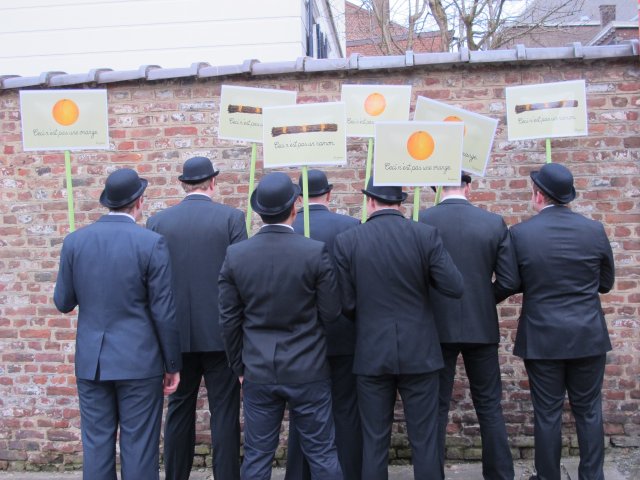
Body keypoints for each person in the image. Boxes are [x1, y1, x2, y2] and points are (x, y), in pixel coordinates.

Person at [53, 168, 182, 480]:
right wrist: (172, 364)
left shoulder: (75, 241)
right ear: (139, 202)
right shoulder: (151, 243)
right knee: (139, 446)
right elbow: (163, 311)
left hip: (92, 362)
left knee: (97, 445)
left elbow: (63, 302)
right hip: (139, 361)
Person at [333, 179, 464, 480]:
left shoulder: (348, 240)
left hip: (371, 350)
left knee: (374, 440)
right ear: (401, 203)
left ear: (370, 201)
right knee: (425, 440)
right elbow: (454, 286)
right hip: (420, 350)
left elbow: (345, 303)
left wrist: (367, 321)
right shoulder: (425, 235)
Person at [218, 172, 343, 480]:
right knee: (322, 453)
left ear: (259, 212)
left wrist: (239, 367)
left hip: (259, 368)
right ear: (294, 208)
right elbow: (331, 313)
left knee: (257, 456)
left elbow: (229, 320)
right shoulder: (314, 251)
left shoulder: (237, 255)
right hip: (308, 367)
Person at [502, 163, 615, 480]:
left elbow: (511, 282)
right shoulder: (594, 230)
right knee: (589, 410)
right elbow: (606, 283)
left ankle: (547, 476)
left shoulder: (520, 234)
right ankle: (592, 476)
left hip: (542, 338)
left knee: (547, 413)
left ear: (538, 195)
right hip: (587, 335)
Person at [146, 156, 246, 480]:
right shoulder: (232, 218)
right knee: (225, 412)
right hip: (222, 334)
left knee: (178, 410)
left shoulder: (158, 222)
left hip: (175, 335)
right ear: (213, 182)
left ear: (183, 185)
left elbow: (153, 283)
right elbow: (242, 278)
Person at [419, 174, 519, 480]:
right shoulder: (493, 223)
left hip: (437, 326)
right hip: (481, 324)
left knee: (435, 407)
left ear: (437, 187)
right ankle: (500, 475)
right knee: (489, 405)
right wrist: (483, 299)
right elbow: (510, 280)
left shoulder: (422, 221)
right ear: (468, 186)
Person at [286, 169, 362, 480]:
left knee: (302, 413)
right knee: (345, 409)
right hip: (344, 332)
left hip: (300, 336)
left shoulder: (288, 228)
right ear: (329, 194)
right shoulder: (351, 226)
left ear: (298, 198)